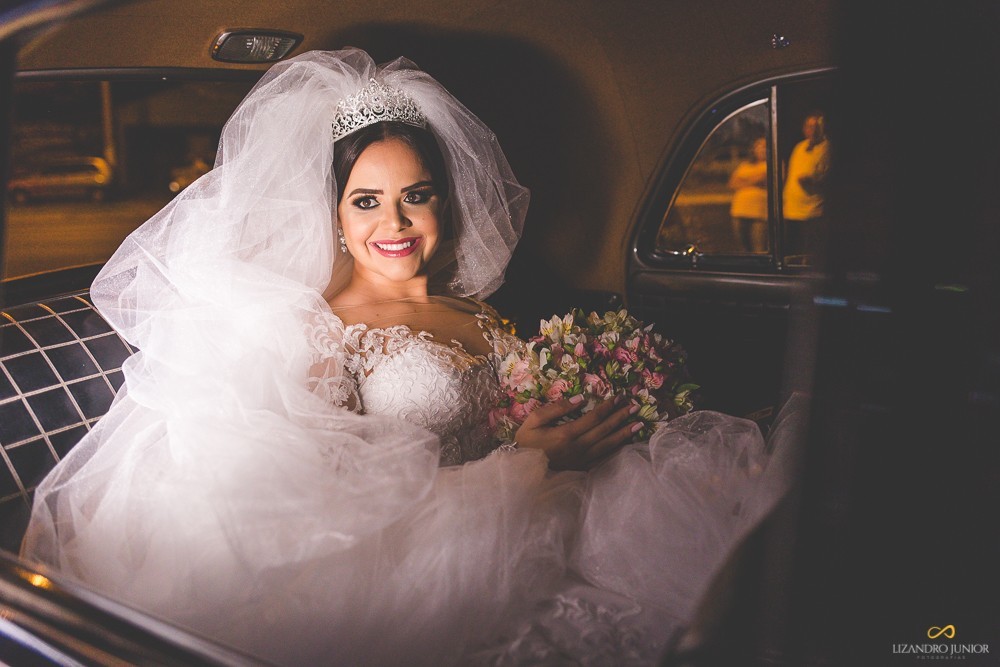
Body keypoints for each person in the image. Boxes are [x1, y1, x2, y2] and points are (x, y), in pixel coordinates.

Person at [21, 49, 794, 666]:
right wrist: (522, 463)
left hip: (559, 514)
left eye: (415, 194)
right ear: (335, 213)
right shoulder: (325, 332)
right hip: (442, 561)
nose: (394, 221)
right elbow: (325, 511)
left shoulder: (478, 310)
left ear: (443, 202)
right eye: (367, 200)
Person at [781, 111, 829, 260]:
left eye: (816, 126)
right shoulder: (799, 147)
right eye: (809, 126)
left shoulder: (826, 148)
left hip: (812, 211)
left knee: (809, 254)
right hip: (791, 210)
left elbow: (828, 178)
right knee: (793, 252)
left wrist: (812, 180)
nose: (812, 130)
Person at [728, 136, 769, 253]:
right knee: (743, 248)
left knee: (759, 248)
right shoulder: (745, 165)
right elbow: (732, 183)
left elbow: (763, 179)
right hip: (739, 211)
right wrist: (754, 180)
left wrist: (743, 180)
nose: (761, 149)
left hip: (759, 213)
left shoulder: (773, 165)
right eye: (758, 146)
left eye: (765, 146)